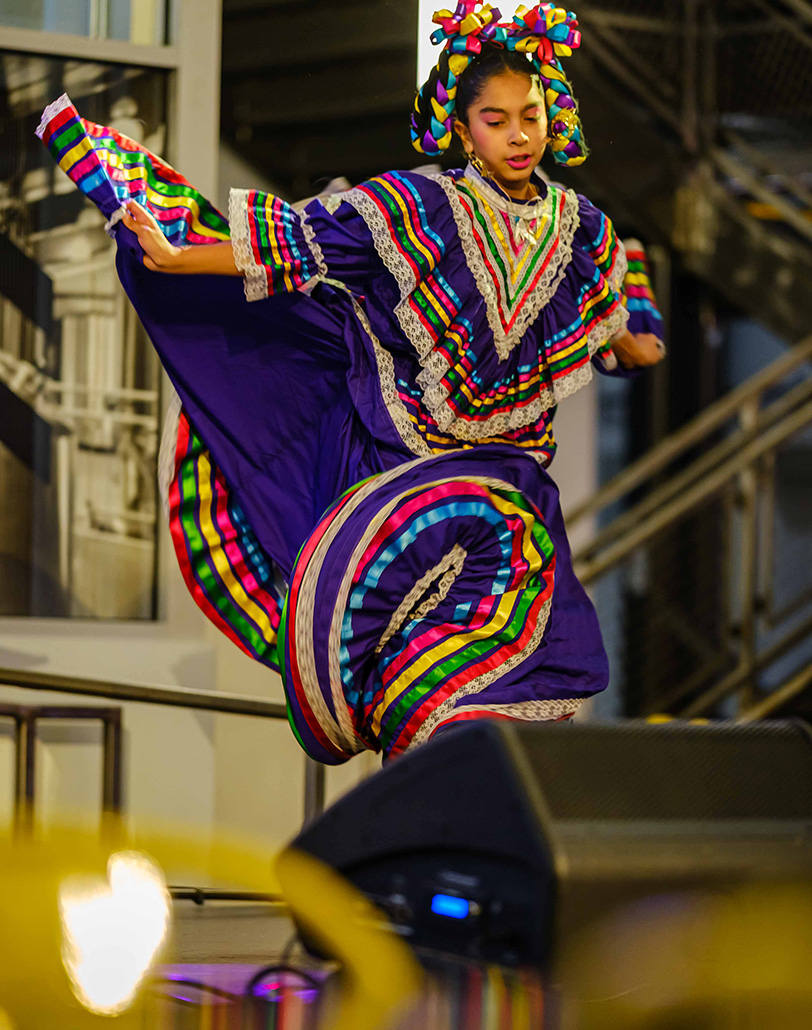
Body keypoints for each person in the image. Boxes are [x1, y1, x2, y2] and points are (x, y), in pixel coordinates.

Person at [37, 1, 664, 763]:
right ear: (462, 130)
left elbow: (618, 339)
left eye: (529, 114)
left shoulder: (584, 228)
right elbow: (297, 245)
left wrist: (635, 317)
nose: (519, 134)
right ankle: (417, 840)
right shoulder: (417, 204)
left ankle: (455, 838)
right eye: (496, 120)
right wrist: (177, 258)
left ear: (551, 114)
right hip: (404, 474)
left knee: (491, 691)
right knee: (396, 682)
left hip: (512, 492)